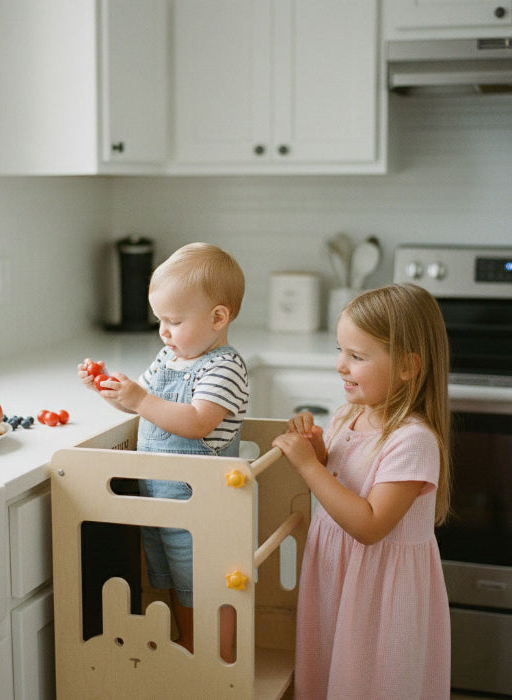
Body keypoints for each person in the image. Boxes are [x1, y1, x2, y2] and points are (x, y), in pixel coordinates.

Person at [272, 283, 451, 699]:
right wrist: (317, 451)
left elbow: (370, 525)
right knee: (332, 671)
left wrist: (306, 466)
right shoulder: (348, 416)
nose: (340, 366)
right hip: (337, 574)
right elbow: (342, 481)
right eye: (340, 351)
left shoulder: (413, 440)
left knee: (374, 681)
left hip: (381, 591)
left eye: (357, 356)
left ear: (408, 367)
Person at [79, 242, 249, 663]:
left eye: (174, 320)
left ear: (218, 318)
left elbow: (196, 421)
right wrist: (109, 391)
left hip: (202, 504)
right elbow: (138, 402)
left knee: (207, 584)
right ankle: (192, 650)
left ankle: (219, 656)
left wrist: (139, 400)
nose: (164, 331)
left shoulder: (223, 367)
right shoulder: (169, 358)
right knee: (176, 582)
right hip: (162, 502)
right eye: (160, 320)